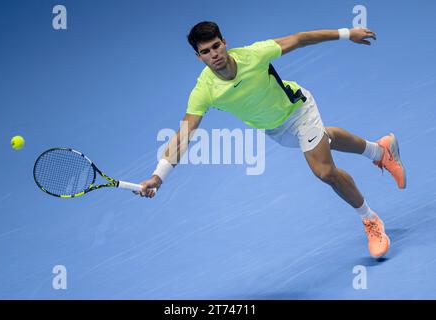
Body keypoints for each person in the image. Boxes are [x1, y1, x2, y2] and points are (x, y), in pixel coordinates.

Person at [136, 21, 406, 258]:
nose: (214, 54)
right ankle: (380, 151)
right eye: (205, 51)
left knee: (324, 171)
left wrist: (348, 33)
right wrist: (159, 176)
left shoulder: (254, 55)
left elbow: (299, 39)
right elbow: (185, 134)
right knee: (322, 140)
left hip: (297, 109)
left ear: (224, 43)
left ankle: (371, 221)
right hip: (275, 129)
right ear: (198, 57)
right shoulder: (204, 91)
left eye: (216, 46)